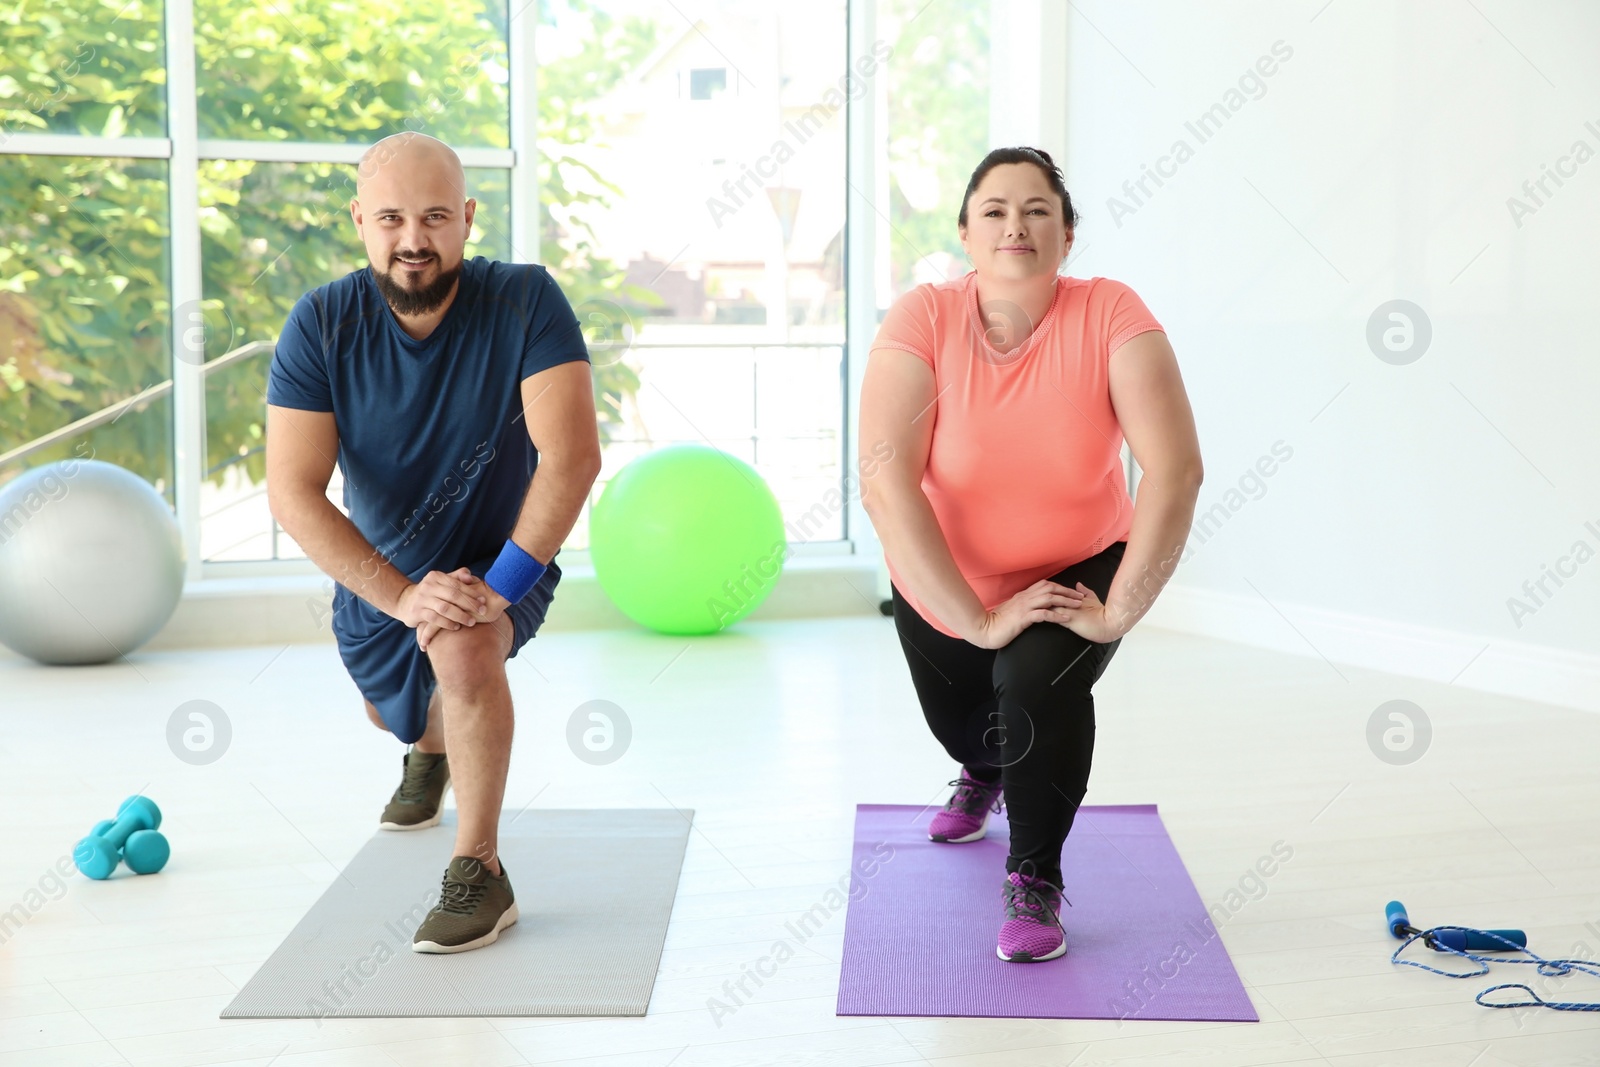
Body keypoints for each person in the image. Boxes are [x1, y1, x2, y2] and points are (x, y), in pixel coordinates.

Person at [858, 146, 1203, 962]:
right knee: (970, 728)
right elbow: (884, 480)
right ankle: (982, 768)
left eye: (1039, 210)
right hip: (947, 578)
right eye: (996, 210)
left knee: (1034, 683)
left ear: (1068, 234)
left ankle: (1035, 875)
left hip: (1075, 567)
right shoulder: (923, 317)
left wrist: (1122, 608)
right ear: (966, 234)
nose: (1017, 225)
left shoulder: (1112, 312)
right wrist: (976, 620)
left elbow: (1175, 467)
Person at [265, 132, 601, 954]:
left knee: (463, 648)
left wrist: (503, 583)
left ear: (467, 219)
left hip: (499, 557)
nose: (413, 237)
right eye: (390, 218)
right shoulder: (320, 323)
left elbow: (572, 455)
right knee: (393, 709)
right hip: (382, 577)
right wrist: (405, 596)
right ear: (359, 222)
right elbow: (292, 488)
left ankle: (478, 868)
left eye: (435, 216)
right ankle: (427, 746)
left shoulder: (526, 300)